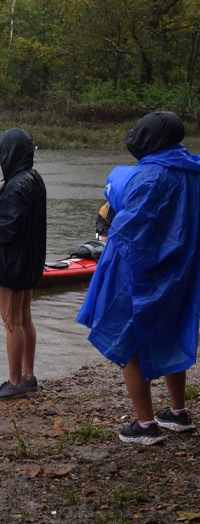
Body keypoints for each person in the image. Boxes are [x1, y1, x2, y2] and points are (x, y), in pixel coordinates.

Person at [77, 111, 200, 445]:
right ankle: (178, 412)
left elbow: (129, 233)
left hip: (142, 275)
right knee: (173, 332)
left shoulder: (146, 177)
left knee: (129, 342)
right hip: (181, 274)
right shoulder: (193, 171)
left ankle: (145, 425)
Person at [0, 127, 47, 400]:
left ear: (11, 154)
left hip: (12, 263)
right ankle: (28, 376)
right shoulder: (34, 179)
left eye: (1, 153)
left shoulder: (16, 185)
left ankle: (15, 381)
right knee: (25, 317)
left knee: (11, 323)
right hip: (31, 260)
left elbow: (6, 229)